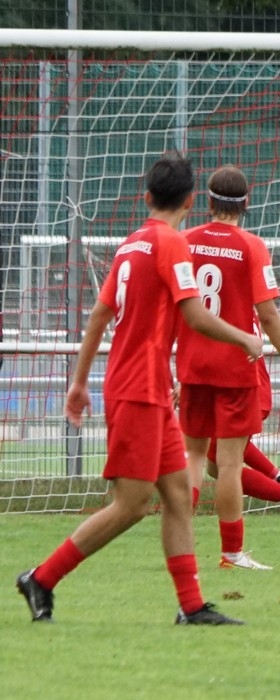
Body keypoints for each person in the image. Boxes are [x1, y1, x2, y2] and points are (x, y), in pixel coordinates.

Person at [15, 154, 260, 625]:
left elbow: (99, 315)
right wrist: (244, 337)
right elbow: (194, 315)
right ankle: (42, 577)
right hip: (138, 390)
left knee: (177, 497)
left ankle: (191, 606)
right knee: (131, 505)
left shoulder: (132, 244)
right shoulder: (171, 244)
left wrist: (80, 382)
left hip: (144, 388)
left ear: (147, 197)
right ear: (190, 201)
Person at [177, 165, 280, 571]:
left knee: (194, 457)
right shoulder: (251, 246)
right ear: (246, 203)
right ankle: (232, 553)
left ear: (207, 200)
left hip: (193, 365)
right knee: (229, 466)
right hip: (235, 368)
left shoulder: (185, 241)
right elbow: (267, 314)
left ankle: (180, 546)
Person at [199, 358, 280, 519]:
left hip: (242, 393)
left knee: (221, 466)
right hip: (239, 390)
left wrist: (193, 382)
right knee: (219, 459)